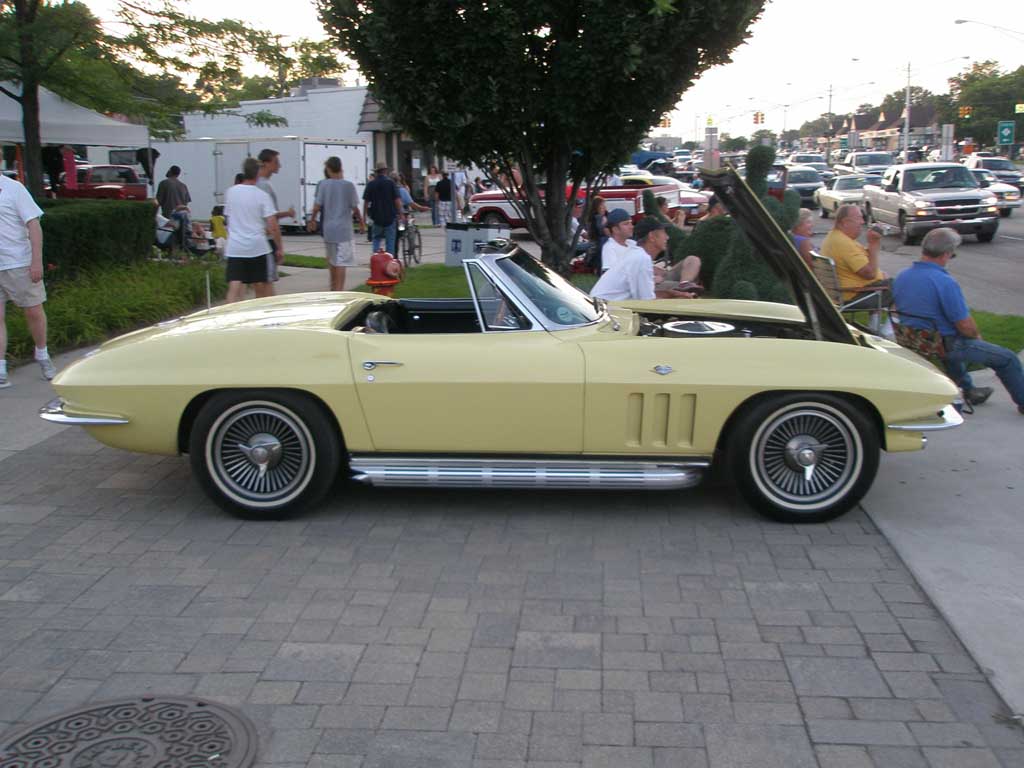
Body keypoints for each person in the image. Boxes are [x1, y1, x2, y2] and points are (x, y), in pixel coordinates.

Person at [893, 227, 1024, 413]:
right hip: (942, 344)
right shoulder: (944, 282)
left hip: (915, 340)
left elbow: (899, 310)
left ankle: (968, 390)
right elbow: (964, 325)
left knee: (949, 344)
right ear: (947, 254)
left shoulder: (902, 277)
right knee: (1007, 358)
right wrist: (977, 338)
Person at [0, 173, 54, 386]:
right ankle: (1, 368)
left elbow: (34, 225)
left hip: (18, 263)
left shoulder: (14, 189)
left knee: (33, 311)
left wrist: (36, 262)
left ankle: (42, 354)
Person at [590, 218, 699, 302]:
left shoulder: (637, 254)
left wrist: (674, 294)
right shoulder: (641, 258)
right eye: (663, 233)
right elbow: (647, 303)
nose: (667, 237)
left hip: (605, 305)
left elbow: (647, 297)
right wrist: (677, 297)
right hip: (606, 309)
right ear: (652, 237)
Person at [224, 157, 282, 303]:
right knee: (260, 284)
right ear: (258, 173)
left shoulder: (231, 192)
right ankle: (259, 314)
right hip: (258, 247)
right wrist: (279, 247)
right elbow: (272, 225)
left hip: (236, 247)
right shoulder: (262, 196)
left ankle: (229, 315)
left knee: (234, 285)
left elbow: (228, 217)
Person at [308, 156, 364, 291]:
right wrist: (361, 222)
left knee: (332, 261)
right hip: (344, 230)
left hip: (328, 229)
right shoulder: (348, 186)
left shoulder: (323, 184)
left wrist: (312, 220)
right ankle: (339, 291)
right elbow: (355, 208)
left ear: (328, 168)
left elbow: (317, 206)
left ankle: (333, 289)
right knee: (341, 262)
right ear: (340, 167)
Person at [820, 203, 890, 304]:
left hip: (847, 293)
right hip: (854, 295)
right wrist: (873, 244)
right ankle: (899, 320)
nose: (862, 222)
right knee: (901, 286)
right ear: (845, 222)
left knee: (892, 281)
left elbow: (863, 262)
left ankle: (886, 319)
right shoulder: (843, 243)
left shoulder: (835, 237)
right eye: (859, 218)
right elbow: (870, 274)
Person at [256, 148, 296, 289]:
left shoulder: (260, 183)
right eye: (276, 162)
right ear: (266, 163)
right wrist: (279, 247)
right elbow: (270, 218)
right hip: (267, 239)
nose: (279, 165)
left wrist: (286, 213)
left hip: (260, 238)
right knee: (267, 281)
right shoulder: (264, 185)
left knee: (261, 281)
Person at [363, 160, 404, 255]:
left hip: (376, 217)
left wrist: (364, 216)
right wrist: (401, 214)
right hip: (390, 216)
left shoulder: (371, 184)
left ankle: (376, 259)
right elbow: (397, 200)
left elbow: (366, 202)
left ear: (376, 171)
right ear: (385, 171)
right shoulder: (391, 183)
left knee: (376, 239)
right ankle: (389, 263)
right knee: (390, 242)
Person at [600, 208, 635, 273]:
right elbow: (610, 275)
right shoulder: (610, 248)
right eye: (626, 224)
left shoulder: (633, 244)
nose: (631, 227)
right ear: (615, 229)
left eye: (631, 223)